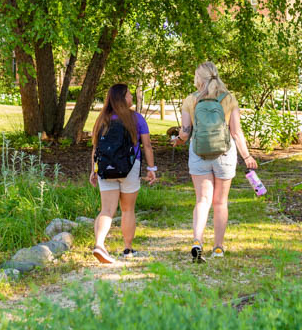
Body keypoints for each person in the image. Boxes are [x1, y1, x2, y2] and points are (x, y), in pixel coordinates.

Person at [174, 62, 257, 262]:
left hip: (199, 153)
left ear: (199, 79)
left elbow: (185, 134)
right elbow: (236, 132)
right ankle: (218, 248)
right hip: (224, 154)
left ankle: (197, 241)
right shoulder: (228, 98)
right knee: (220, 202)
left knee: (202, 200)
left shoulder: (190, 100)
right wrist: (247, 156)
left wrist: (177, 140)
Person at [90, 84, 157, 264]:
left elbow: (96, 148)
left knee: (107, 210)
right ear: (122, 98)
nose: (131, 98)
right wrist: (151, 169)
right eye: (129, 95)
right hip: (129, 167)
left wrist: (93, 170)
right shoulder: (135, 118)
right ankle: (127, 249)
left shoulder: (102, 119)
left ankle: (99, 244)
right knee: (127, 209)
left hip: (105, 168)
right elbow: (147, 146)